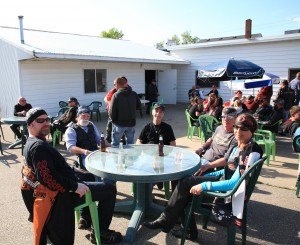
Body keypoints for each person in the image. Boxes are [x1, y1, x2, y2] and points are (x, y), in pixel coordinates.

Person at [143, 114, 263, 240]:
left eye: (244, 129)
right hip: (224, 182)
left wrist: (203, 185)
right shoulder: (238, 145)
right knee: (184, 180)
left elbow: (235, 183)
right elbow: (227, 170)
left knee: (184, 187)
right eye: (236, 127)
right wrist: (207, 173)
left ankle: (171, 222)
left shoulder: (251, 151)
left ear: (252, 130)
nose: (238, 131)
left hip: (230, 194)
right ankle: (175, 223)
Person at [20, 108, 122, 244]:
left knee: (90, 176)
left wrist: (74, 172)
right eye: (40, 121)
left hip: (63, 184)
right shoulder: (38, 147)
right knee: (109, 190)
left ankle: (85, 217)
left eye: (47, 119)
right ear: (30, 124)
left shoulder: (31, 142)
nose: (46, 123)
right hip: (62, 196)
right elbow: (47, 178)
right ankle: (101, 231)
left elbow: (50, 170)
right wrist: (74, 186)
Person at [136, 103, 176, 190]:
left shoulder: (167, 128)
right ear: (152, 112)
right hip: (148, 157)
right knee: (139, 168)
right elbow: (139, 141)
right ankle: (150, 187)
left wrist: (166, 156)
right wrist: (143, 152)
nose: (158, 113)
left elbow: (173, 145)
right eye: (156, 111)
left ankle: (158, 181)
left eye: (161, 112)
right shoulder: (147, 127)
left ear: (163, 114)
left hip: (163, 157)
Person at [195, 107, 238, 173]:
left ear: (236, 118)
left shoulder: (235, 137)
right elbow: (211, 139)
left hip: (214, 167)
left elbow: (226, 159)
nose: (225, 119)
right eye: (223, 117)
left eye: (229, 117)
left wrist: (208, 166)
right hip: (203, 159)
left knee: (187, 178)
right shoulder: (219, 128)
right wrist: (201, 148)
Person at [109, 76, 141, 146]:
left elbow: (111, 112)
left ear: (117, 85)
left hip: (119, 124)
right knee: (130, 144)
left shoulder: (116, 95)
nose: (114, 87)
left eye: (114, 85)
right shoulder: (134, 94)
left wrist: (114, 121)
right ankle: (130, 157)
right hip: (131, 123)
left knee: (115, 144)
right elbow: (139, 106)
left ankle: (116, 157)